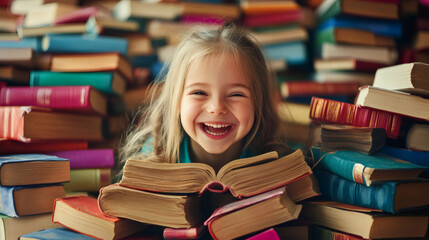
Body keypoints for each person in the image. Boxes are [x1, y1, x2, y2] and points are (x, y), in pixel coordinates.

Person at [118, 22, 290, 177]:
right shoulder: (151, 159)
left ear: (258, 104)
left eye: (236, 94)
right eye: (199, 93)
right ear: (176, 102)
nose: (216, 108)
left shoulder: (275, 165)